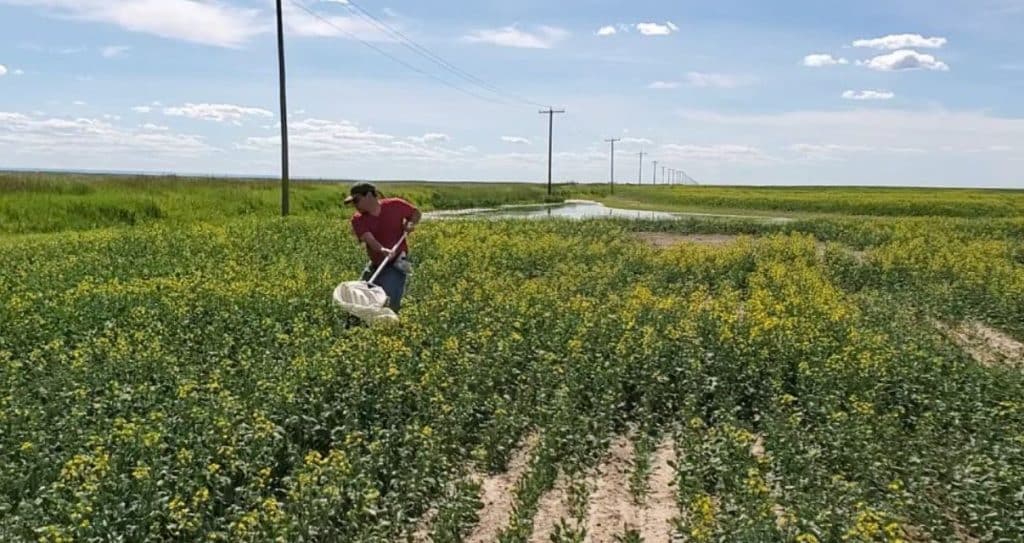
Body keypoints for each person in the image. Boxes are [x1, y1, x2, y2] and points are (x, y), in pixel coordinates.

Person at [345, 182, 421, 313]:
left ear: (369, 195)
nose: (355, 205)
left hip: (397, 262)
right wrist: (382, 250)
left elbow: (416, 213)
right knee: (360, 298)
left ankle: (390, 324)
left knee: (389, 298)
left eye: (357, 200)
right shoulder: (357, 219)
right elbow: (369, 239)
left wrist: (410, 223)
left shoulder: (396, 205)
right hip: (376, 263)